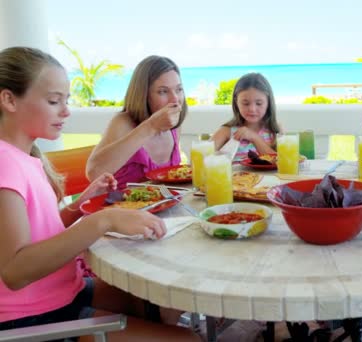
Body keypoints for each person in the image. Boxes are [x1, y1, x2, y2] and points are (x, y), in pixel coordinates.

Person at [0, 47, 198, 340]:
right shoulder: (5, 163)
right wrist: (103, 220)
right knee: (187, 339)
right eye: (54, 101)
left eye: (65, 101)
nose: (66, 111)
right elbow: (16, 271)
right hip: (34, 318)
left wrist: (79, 206)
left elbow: (36, 233)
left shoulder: (24, 156)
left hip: (65, 290)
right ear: (8, 99)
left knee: (161, 300)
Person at [86, 55, 187, 188]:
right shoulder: (123, 123)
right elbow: (93, 173)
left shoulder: (173, 128)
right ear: (144, 95)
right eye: (163, 91)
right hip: (121, 207)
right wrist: (152, 126)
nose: (175, 99)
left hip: (165, 207)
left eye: (179, 89)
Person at [211, 72, 281, 160]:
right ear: (236, 102)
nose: (252, 109)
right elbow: (201, 157)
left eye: (259, 103)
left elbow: (280, 161)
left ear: (268, 103)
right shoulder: (227, 131)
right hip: (235, 174)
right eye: (246, 103)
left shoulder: (273, 131)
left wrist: (254, 137)